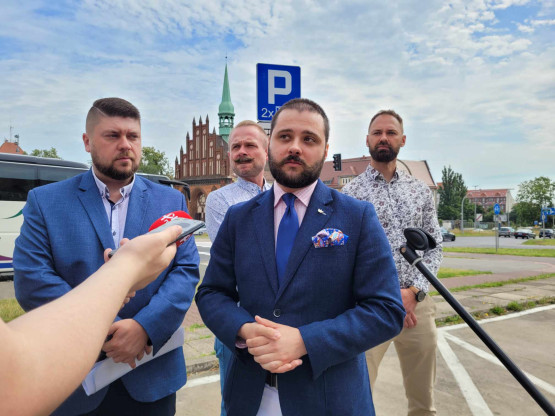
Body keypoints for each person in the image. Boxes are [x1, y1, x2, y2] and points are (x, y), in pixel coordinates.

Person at [196, 98, 405, 416]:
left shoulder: (357, 216)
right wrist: (245, 330)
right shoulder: (239, 218)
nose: (295, 147)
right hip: (249, 396)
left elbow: (386, 310)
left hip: (329, 399)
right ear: (270, 145)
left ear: (325, 149)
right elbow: (212, 293)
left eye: (309, 139)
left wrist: (306, 340)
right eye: (285, 137)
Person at [13, 97, 200, 416]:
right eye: (113, 135)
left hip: (151, 375)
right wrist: (104, 329)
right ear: (87, 142)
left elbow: (185, 272)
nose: (125, 144)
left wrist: (144, 328)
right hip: (72, 380)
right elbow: (32, 279)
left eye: (133, 136)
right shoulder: (46, 202)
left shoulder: (171, 201)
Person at [1, 226, 183, 416]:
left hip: (152, 381)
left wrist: (144, 327)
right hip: (74, 394)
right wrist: (127, 267)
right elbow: (12, 377)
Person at [343, 109, 443, 416]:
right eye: (377, 133)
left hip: (417, 304)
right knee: (356, 393)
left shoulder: (419, 191)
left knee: (423, 399)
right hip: (370, 306)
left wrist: (413, 293)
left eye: (390, 132)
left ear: (402, 139)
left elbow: (435, 247)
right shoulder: (350, 194)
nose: (383, 138)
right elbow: (345, 256)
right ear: (367, 140)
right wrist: (384, 297)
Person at [205, 120, 271, 416]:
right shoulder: (220, 200)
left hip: (285, 324)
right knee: (236, 406)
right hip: (239, 323)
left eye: (250, 145)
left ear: (266, 152)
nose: (241, 152)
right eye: (235, 147)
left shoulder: (282, 193)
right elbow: (242, 259)